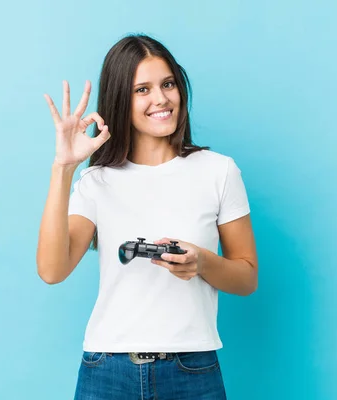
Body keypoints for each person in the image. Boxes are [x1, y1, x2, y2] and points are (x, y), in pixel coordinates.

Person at [37, 34, 258, 400]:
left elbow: (246, 276)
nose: (161, 98)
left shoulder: (218, 171)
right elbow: (51, 270)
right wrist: (64, 168)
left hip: (192, 368)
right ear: (121, 99)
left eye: (168, 84)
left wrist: (201, 262)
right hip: (107, 370)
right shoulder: (97, 181)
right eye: (143, 89)